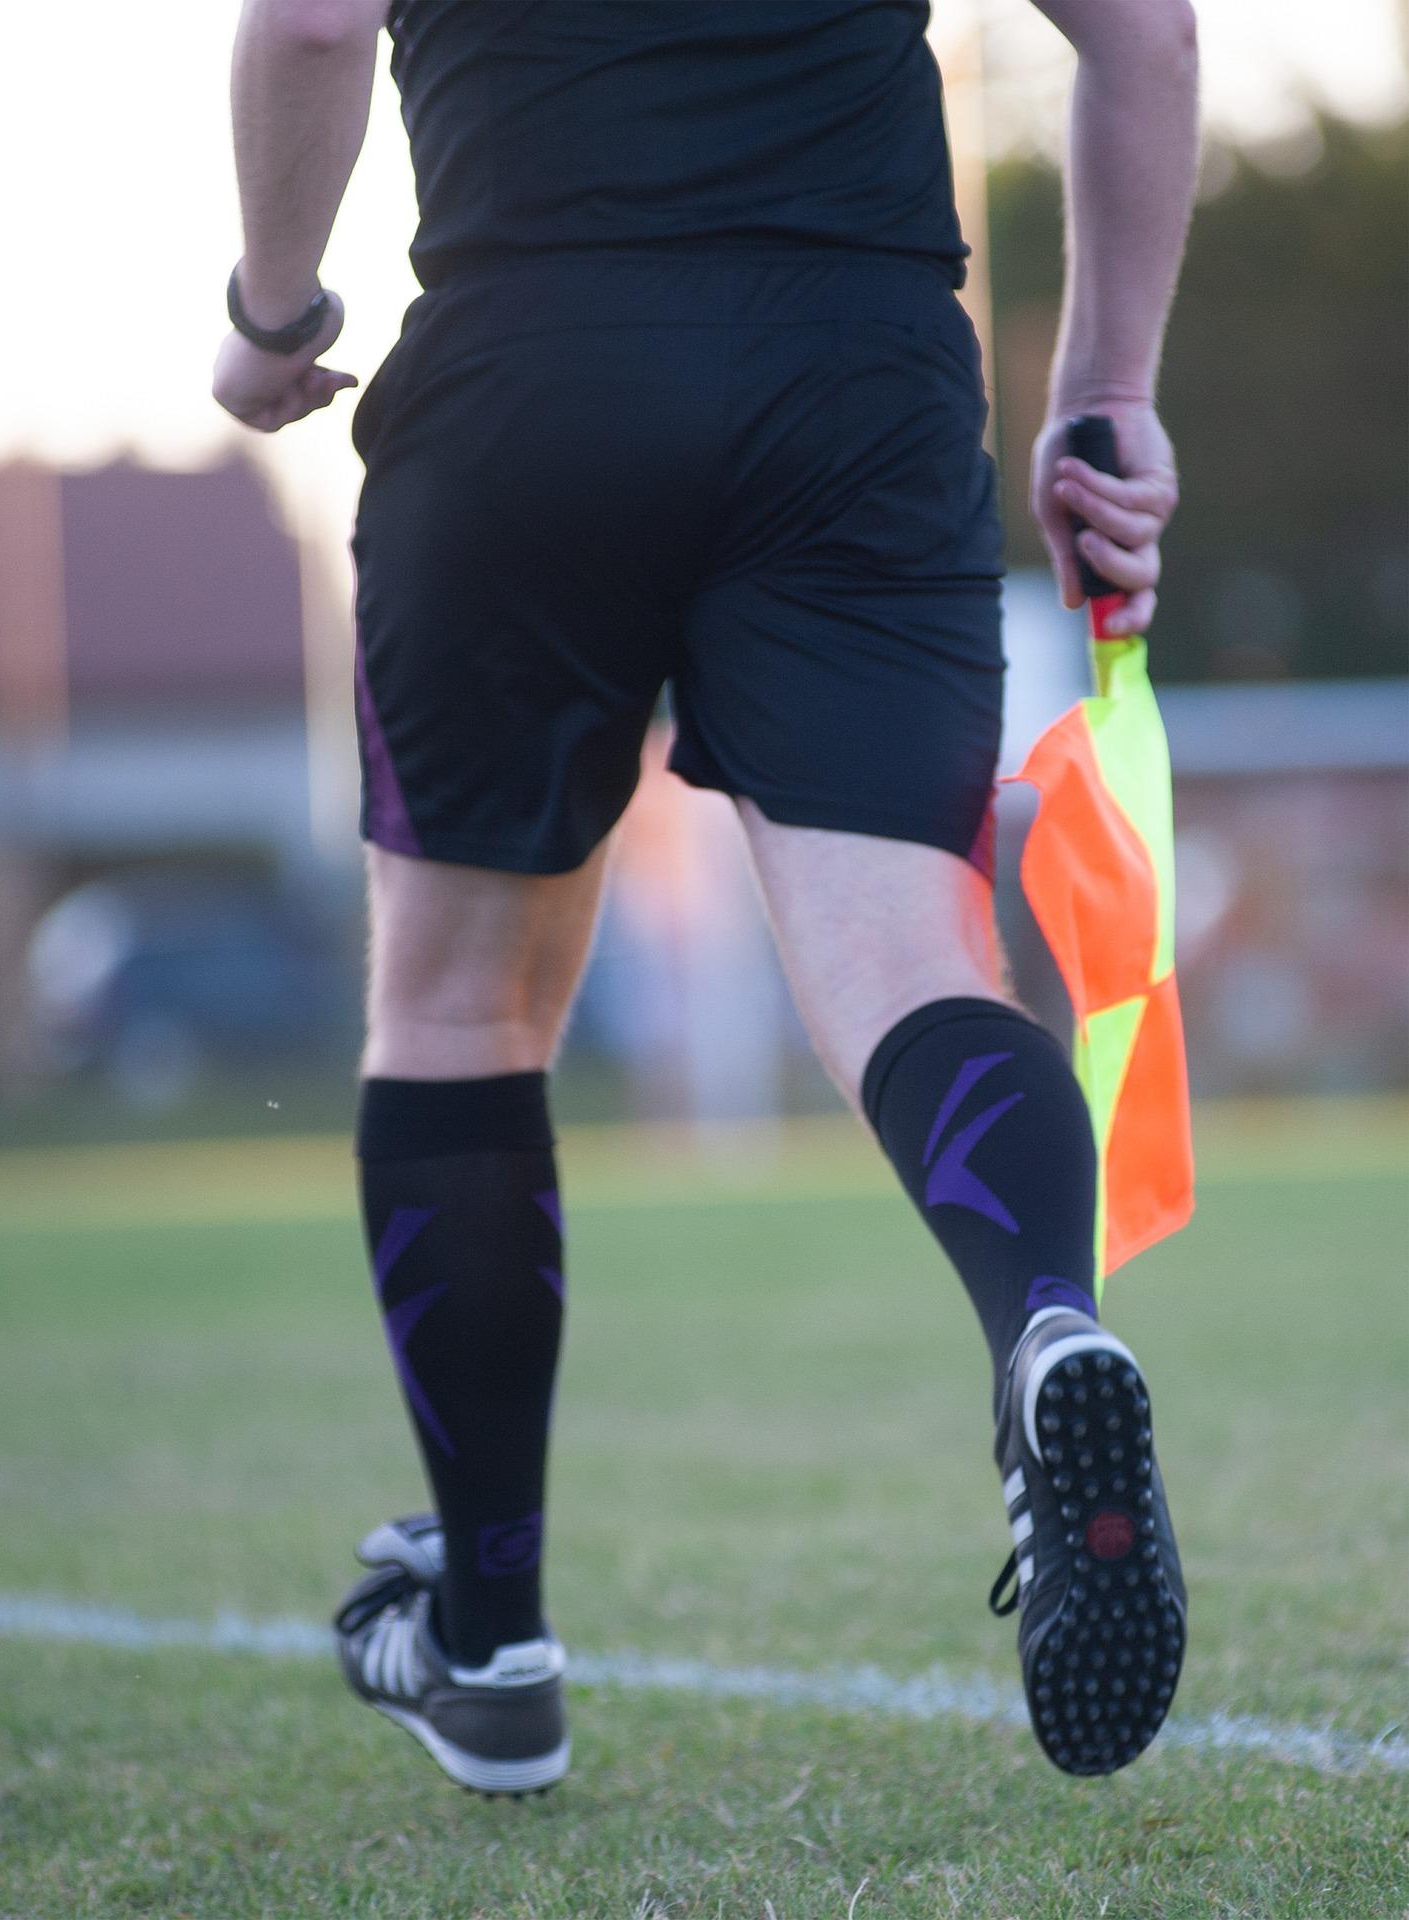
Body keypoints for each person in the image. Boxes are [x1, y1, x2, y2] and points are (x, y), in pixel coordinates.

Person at [213, 0, 1199, 1790]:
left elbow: (302, 27)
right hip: (855, 370)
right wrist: (1106, 395)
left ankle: (491, 1638)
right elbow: (1142, 29)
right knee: (903, 950)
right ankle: (1046, 1323)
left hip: (533, 367)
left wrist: (273, 315)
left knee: (457, 1004)